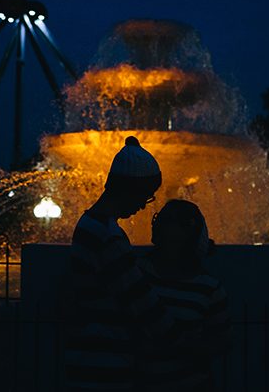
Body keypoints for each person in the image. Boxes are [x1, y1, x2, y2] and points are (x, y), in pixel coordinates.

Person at [64, 136, 182, 392]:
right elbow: (141, 301)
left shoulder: (88, 225)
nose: (143, 206)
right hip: (105, 366)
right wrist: (182, 341)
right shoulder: (109, 236)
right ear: (130, 188)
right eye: (145, 196)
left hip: (84, 359)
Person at [136, 199, 232, 392]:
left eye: (172, 221)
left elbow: (223, 340)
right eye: (163, 220)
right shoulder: (137, 273)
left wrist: (189, 349)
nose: (164, 226)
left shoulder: (208, 288)